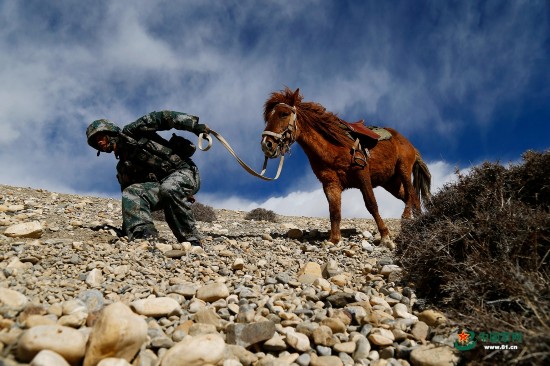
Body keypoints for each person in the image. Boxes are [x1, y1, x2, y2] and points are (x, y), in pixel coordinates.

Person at [86, 110, 209, 246]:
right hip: (163, 186)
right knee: (131, 191)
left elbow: (164, 117)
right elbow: (132, 202)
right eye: (95, 141)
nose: (99, 142)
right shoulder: (123, 168)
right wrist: (127, 228)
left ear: (110, 132)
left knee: (169, 188)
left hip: (184, 171)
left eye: (100, 137)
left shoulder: (134, 131)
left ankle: (191, 240)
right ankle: (144, 236)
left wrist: (193, 126)